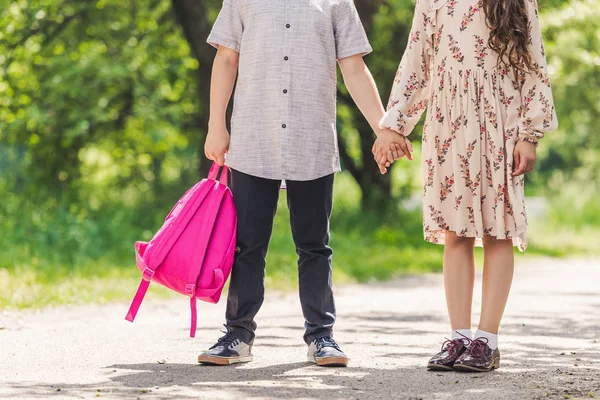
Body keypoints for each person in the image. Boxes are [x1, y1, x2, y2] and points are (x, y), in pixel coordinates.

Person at [199, 0, 411, 367]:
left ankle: (321, 336)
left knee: (315, 245)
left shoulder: (335, 3)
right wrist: (216, 125)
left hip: (311, 140)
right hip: (253, 139)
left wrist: (385, 127)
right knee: (247, 245)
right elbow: (226, 59)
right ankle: (237, 335)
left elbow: (355, 69)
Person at [374, 0, 557, 372]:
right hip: (449, 121)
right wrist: (394, 124)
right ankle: (458, 337)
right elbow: (417, 61)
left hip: (500, 120)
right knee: (454, 231)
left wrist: (529, 134)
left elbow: (533, 63)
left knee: (497, 230)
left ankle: (486, 341)